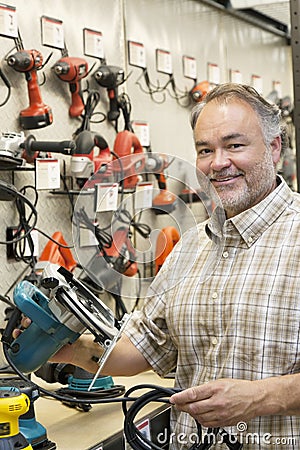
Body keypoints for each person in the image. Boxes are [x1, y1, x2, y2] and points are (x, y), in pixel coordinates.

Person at [14, 83, 300, 449]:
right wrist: (64, 346)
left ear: (273, 148)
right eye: (205, 150)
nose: (218, 162)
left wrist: (261, 397)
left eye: (234, 145)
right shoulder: (192, 246)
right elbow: (144, 346)